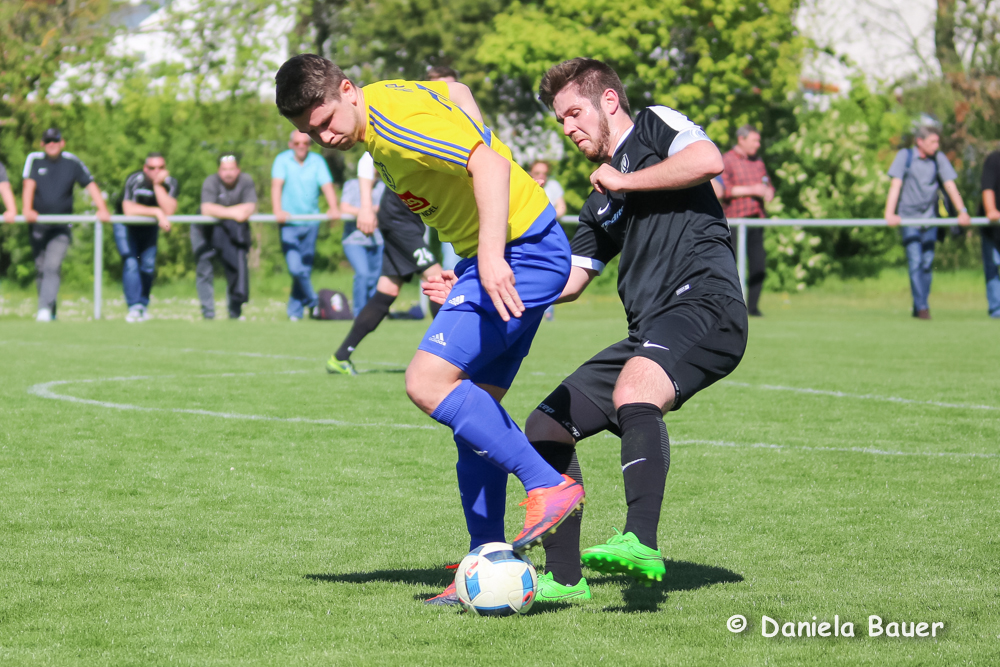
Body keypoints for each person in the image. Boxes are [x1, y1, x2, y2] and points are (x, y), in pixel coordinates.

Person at [430, 58, 747, 603]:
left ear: (609, 101)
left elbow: (707, 159)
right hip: (648, 326)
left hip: (706, 304)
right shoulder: (601, 199)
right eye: (561, 121)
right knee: (546, 425)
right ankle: (565, 579)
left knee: (633, 389)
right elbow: (571, 280)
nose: (569, 127)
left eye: (575, 112)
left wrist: (627, 179)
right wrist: (475, 283)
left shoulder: (655, 126)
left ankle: (640, 541)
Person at [275, 54, 584, 600]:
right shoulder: (385, 106)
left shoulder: (391, 127)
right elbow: (457, 89)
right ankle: (485, 559)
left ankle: (547, 484)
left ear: (347, 90)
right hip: (510, 250)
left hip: (523, 251)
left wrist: (488, 257)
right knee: (474, 419)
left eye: (324, 120)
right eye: (308, 131)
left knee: (425, 382)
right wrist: (471, 263)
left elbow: (486, 165)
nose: (322, 136)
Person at [327, 160, 443, 372]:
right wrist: (365, 208)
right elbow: (365, 160)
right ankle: (453, 356)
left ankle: (340, 357)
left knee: (387, 290)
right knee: (437, 279)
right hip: (398, 221)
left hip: (407, 220)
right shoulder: (405, 132)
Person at [22, 128, 112, 322]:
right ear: (42, 143)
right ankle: (49, 310)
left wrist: (102, 208)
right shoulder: (35, 160)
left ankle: (44, 310)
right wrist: (27, 209)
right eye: (48, 141)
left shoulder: (72, 162)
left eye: (55, 140)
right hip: (38, 225)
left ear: (62, 142)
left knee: (52, 266)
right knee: (41, 268)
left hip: (61, 227)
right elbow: (28, 185)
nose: (52, 144)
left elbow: (90, 185)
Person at [884, 126, 971, 319]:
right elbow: (895, 184)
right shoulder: (905, 156)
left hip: (930, 219)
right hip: (908, 218)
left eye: (937, 142)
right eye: (932, 142)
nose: (936, 145)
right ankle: (922, 307)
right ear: (919, 142)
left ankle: (920, 304)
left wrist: (962, 211)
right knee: (915, 261)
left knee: (927, 262)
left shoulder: (938, 159)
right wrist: (890, 213)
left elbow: (950, 185)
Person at [271, 130, 340, 321]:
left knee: (304, 270)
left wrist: (334, 208)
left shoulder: (317, 161)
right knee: (296, 268)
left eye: (305, 143)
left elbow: (327, 185)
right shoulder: (282, 160)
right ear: (291, 144)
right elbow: (276, 185)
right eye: (298, 143)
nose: (302, 147)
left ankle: (295, 312)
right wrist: (277, 210)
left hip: (311, 221)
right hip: (289, 223)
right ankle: (314, 302)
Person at [116, 152, 178, 322]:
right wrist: (157, 212)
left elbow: (170, 210)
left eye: (161, 168)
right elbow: (128, 210)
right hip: (126, 226)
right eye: (152, 168)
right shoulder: (134, 179)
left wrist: (158, 186)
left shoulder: (170, 183)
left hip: (149, 228)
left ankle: (142, 305)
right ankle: (134, 306)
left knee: (148, 266)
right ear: (145, 168)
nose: (156, 171)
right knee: (131, 263)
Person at [194, 155, 257, 320]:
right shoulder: (211, 181)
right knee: (204, 268)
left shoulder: (246, 181)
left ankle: (234, 311)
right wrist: (234, 213)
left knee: (234, 267)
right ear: (218, 170)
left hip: (231, 230)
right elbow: (206, 208)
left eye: (231, 169)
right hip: (205, 230)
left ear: (238, 170)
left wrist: (222, 212)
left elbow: (250, 207)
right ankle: (208, 313)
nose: (228, 173)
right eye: (224, 169)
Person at [720, 125, 773, 317]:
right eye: (755, 140)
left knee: (759, 265)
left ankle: (753, 308)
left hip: (756, 222)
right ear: (741, 140)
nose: (758, 145)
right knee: (730, 268)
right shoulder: (727, 160)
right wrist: (753, 189)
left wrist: (768, 191)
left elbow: (766, 183)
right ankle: (728, 308)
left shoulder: (758, 162)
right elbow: (723, 190)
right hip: (734, 222)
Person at [426, 65, 463, 272]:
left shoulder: (468, 121)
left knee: (454, 265)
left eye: (449, 89)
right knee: (450, 266)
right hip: (435, 206)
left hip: (466, 205)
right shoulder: (417, 124)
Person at [339, 153, 387, 313]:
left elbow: (384, 208)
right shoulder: (351, 184)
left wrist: (372, 211)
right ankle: (359, 312)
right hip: (354, 240)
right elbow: (344, 207)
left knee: (375, 278)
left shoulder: (383, 185)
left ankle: (373, 312)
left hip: (378, 240)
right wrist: (365, 212)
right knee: (363, 274)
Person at [528, 160, 567, 320]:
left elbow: (562, 208)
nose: (541, 177)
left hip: (548, 235)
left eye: (545, 173)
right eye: (537, 173)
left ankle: (547, 309)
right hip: (528, 235)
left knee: (547, 271)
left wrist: (545, 217)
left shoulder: (553, 186)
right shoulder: (525, 184)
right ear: (531, 172)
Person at [979, 148, 1000, 318]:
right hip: (993, 228)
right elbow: (987, 188)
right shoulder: (994, 159)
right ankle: (996, 308)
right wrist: (991, 210)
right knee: (992, 266)